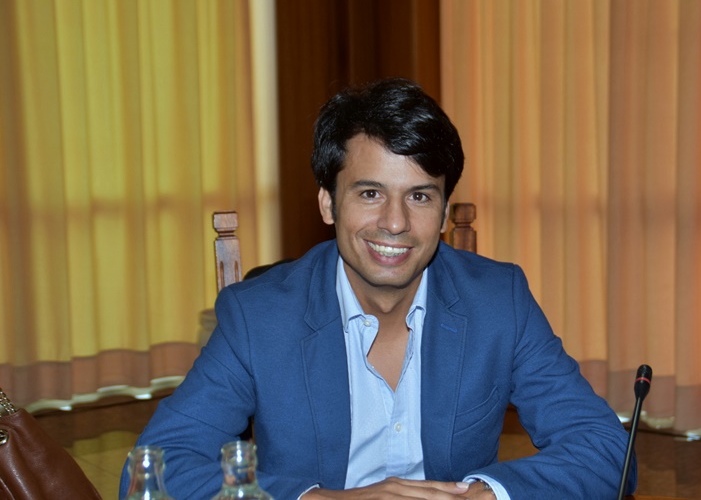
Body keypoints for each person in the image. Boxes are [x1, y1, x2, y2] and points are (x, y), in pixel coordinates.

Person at [120, 78, 636, 499]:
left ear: (444, 212)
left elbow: (607, 448)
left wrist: (485, 495)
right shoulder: (258, 317)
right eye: (370, 193)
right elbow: (153, 470)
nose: (395, 222)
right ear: (328, 203)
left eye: (420, 196)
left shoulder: (499, 302)